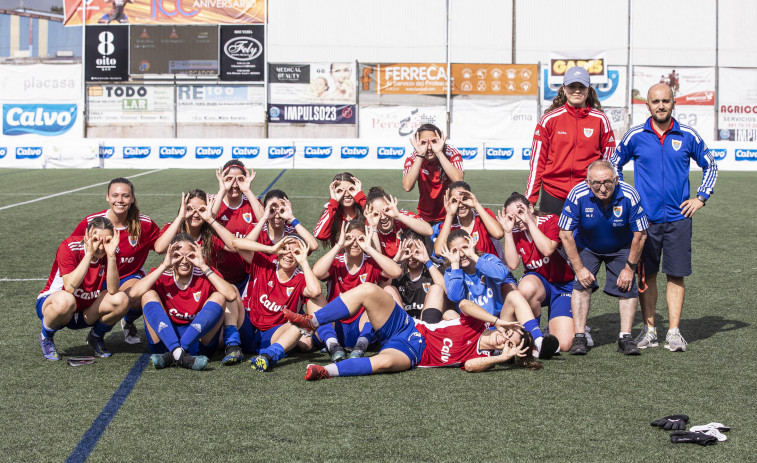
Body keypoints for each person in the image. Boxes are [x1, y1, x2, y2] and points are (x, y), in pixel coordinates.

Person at [611, 83, 718, 352]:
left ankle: (673, 332)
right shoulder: (635, 135)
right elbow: (613, 164)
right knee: (646, 277)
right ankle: (649, 331)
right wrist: (627, 198)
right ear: (647, 105)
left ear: (673, 104)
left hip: (679, 218)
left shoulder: (687, 134)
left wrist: (701, 197)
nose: (661, 105)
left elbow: (711, 164)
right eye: (655, 101)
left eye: (666, 101)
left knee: (676, 275)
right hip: (645, 222)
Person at [281, 285, 540, 380]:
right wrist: (498, 320)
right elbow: (462, 304)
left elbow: (470, 366)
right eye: (508, 334)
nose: (504, 339)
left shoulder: (484, 358)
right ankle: (313, 321)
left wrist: (501, 357)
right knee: (369, 290)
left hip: (415, 352)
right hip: (407, 326)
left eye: (509, 344)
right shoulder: (480, 324)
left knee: (382, 362)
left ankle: (325, 371)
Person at [558, 160, 649, 356]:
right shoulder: (577, 194)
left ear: (616, 180)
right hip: (588, 246)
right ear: (588, 182)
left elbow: (640, 234)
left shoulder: (629, 195)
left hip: (621, 246)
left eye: (607, 182)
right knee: (581, 285)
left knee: (628, 286)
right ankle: (579, 336)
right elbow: (565, 233)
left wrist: (629, 268)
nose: (602, 188)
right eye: (596, 183)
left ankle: (625, 337)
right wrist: (579, 269)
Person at [154, 190, 247, 365]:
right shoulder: (174, 228)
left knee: (230, 290)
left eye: (201, 209)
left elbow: (235, 247)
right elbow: (159, 248)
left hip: (203, 292)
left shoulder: (210, 234)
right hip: (177, 292)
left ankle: (232, 343)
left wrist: (210, 218)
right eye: (190, 208)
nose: (195, 213)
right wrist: (181, 217)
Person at [438, 229, 560, 359]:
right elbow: (456, 297)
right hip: (475, 329)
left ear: (473, 244)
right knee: (448, 315)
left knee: (514, 295)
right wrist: (455, 265)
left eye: (465, 247)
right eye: (455, 251)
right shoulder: (452, 272)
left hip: (501, 323)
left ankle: (538, 341)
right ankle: (501, 349)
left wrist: (474, 257)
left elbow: (501, 275)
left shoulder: (487, 258)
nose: (461, 253)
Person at [71, 178, 160, 346]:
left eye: (125, 196)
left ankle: (106, 330)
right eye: (115, 195)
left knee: (143, 292)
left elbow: (161, 246)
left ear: (132, 198)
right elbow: (73, 248)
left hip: (128, 277)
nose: (120, 200)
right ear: (107, 197)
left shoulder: (144, 223)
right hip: (97, 278)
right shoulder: (91, 222)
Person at [129, 235, 239, 370]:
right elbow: (134, 294)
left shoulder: (203, 272)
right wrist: (164, 265)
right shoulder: (164, 274)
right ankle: (178, 352)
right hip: (165, 342)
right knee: (147, 295)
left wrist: (203, 265)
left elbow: (231, 294)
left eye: (190, 256)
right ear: (170, 255)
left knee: (219, 297)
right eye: (178, 256)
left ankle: (176, 354)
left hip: (198, 343)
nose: (184, 260)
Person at [526, 66, 615, 215]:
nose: (577, 90)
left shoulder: (601, 120)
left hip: (588, 194)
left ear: (589, 89)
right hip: (553, 195)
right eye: (572, 86)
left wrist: (609, 192)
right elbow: (537, 162)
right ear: (564, 88)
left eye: (582, 86)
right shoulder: (549, 120)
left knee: (587, 239)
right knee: (552, 239)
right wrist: (530, 199)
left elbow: (610, 162)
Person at [37, 217, 130, 360]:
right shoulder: (69, 246)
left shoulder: (111, 250)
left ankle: (96, 336)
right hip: (57, 306)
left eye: (106, 241)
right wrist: (89, 255)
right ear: (87, 235)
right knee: (66, 300)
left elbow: (112, 290)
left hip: (86, 310)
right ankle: (46, 336)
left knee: (121, 299)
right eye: (96, 239)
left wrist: (111, 256)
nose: (100, 246)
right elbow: (69, 287)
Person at [311, 220, 403, 361]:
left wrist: (369, 248)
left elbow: (396, 272)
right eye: (349, 238)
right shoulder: (336, 261)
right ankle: (333, 345)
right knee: (315, 297)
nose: (355, 243)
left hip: (362, 327)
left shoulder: (370, 261)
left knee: (385, 294)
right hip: (336, 326)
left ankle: (361, 346)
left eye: (360, 239)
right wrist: (339, 246)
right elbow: (316, 272)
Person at [232, 235, 322, 372]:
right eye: (285, 249)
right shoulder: (265, 263)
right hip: (248, 326)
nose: (288, 254)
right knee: (231, 294)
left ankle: (269, 355)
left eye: (295, 252)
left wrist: (304, 262)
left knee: (300, 324)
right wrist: (271, 248)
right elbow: (236, 243)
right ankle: (231, 345)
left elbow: (315, 291)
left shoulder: (300, 278)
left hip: (274, 333)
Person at [499, 192, 576, 352]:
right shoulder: (515, 231)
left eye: (520, 213)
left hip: (563, 285)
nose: (517, 220)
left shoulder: (551, 220)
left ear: (531, 208)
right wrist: (507, 232)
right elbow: (513, 264)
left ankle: (551, 329)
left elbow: (547, 250)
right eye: (512, 217)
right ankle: (534, 335)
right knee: (526, 287)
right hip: (539, 284)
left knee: (564, 344)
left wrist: (530, 222)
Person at [209, 160, 265, 288]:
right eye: (229, 179)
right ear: (222, 180)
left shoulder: (252, 202)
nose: (234, 184)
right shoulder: (213, 201)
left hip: (247, 274)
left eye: (240, 179)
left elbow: (265, 221)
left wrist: (247, 191)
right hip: (217, 274)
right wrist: (222, 191)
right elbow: (208, 220)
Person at [402, 124, 464, 224]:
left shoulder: (451, 152)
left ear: (441, 140)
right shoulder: (414, 158)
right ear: (417, 143)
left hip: (451, 213)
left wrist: (439, 153)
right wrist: (420, 155)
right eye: (423, 143)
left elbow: (459, 180)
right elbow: (407, 186)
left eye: (434, 141)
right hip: (425, 216)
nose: (429, 147)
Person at [388, 231, 450, 322]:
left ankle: (427, 331)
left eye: (417, 251)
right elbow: (381, 289)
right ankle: (403, 330)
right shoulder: (397, 269)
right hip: (405, 324)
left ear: (425, 248)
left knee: (437, 288)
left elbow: (447, 292)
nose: (412, 256)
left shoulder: (434, 267)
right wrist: (396, 261)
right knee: (388, 289)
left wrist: (427, 262)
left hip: (428, 322)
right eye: (407, 251)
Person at [433, 181, 504, 257]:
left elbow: (498, 234)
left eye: (465, 199)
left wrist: (476, 204)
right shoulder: (450, 225)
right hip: (464, 268)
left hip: (488, 266)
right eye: (455, 201)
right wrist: (450, 214)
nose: (460, 205)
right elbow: (439, 251)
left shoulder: (483, 215)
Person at [363, 186, 433, 258]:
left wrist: (398, 216)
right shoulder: (369, 227)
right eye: (377, 214)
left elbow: (429, 231)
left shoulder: (400, 217)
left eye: (386, 210)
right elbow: (377, 261)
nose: (383, 217)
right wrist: (374, 227)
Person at [248, 189, 319, 253]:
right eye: (271, 210)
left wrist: (291, 218)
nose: (277, 215)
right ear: (265, 210)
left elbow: (313, 246)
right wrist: (264, 218)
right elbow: (244, 246)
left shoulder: (292, 230)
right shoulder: (257, 229)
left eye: (281, 210)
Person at [313, 172, 366, 247]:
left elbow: (375, 219)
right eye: (340, 191)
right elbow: (320, 235)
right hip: (341, 258)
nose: (347, 194)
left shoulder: (365, 211)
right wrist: (333, 202)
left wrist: (360, 197)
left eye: (351, 189)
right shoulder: (332, 212)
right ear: (334, 192)